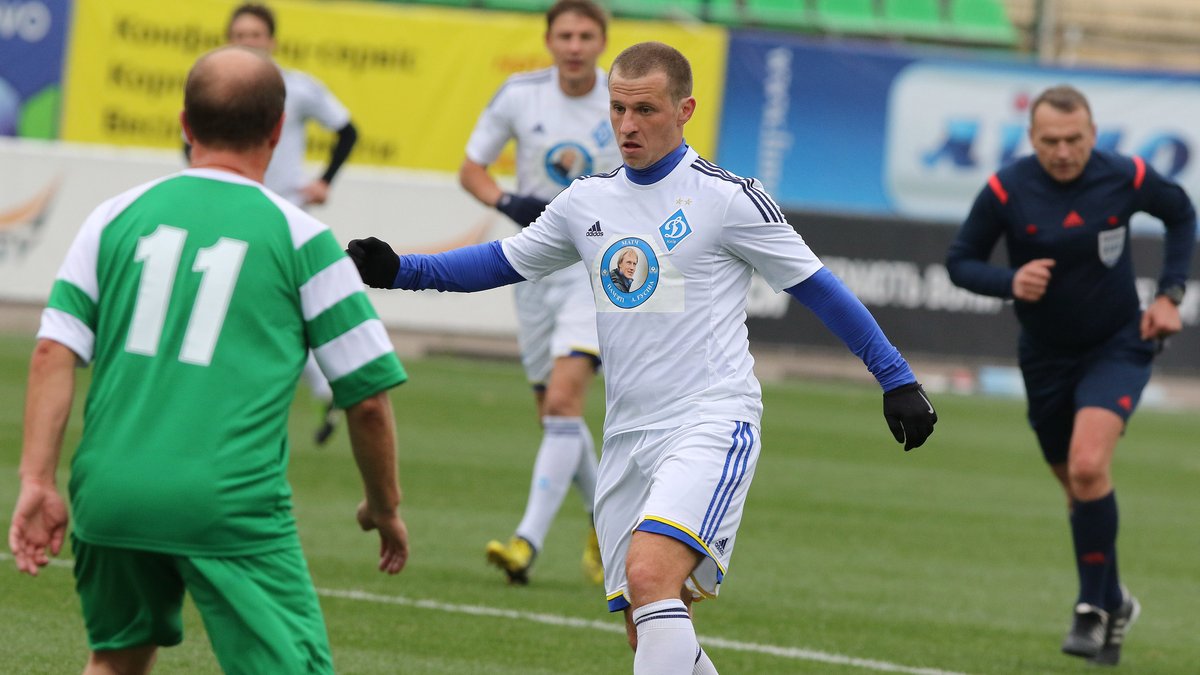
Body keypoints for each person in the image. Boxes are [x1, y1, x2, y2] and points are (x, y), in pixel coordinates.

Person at [346, 41, 937, 674]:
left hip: (710, 420)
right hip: (627, 436)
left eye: (645, 110)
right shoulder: (586, 201)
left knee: (651, 575)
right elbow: (501, 261)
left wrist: (896, 378)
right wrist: (401, 270)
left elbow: (818, 287)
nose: (627, 125)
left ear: (684, 110)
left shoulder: (727, 198)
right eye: (618, 109)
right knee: (646, 623)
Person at [8, 46, 409, 674]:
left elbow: (52, 351)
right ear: (278, 131)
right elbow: (367, 401)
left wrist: (36, 481)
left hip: (110, 493)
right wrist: (383, 507)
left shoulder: (113, 217)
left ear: (184, 124)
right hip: (228, 503)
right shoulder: (304, 239)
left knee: (115, 660)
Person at [946, 84, 1195, 667]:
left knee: (1087, 466)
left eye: (1074, 139)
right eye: (1050, 141)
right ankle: (1115, 601)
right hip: (1045, 356)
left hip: (1119, 345)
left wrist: (1170, 294)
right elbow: (960, 261)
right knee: (1077, 489)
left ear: (1093, 133)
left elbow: (1181, 213)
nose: (1063, 151)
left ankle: (1090, 608)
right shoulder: (1006, 189)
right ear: (1032, 139)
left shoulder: (1126, 175)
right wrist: (1010, 281)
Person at [458, 0, 618, 586]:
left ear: (601, 42)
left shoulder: (621, 98)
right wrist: (506, 201)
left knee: (563, 403)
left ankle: (526, 542)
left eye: (585, 36)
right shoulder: (519, 94)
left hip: (597, 267)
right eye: (565, 35)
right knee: (554, 415)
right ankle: (607, 522)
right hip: (532, 266)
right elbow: (471, 169)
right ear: (548, 40)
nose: (574, 46)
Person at [226, 2, 360, 445]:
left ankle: (314, 386)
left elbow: (348, 131)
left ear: (271, 41)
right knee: (271, 305)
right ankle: (329, 384)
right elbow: (189, 141)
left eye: (254, 35)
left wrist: (324, 181)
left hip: (284, 213)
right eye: (239, 36)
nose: (247, 43)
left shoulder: (296, 88)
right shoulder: (217, 87)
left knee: (265, 303)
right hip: (233, 208)